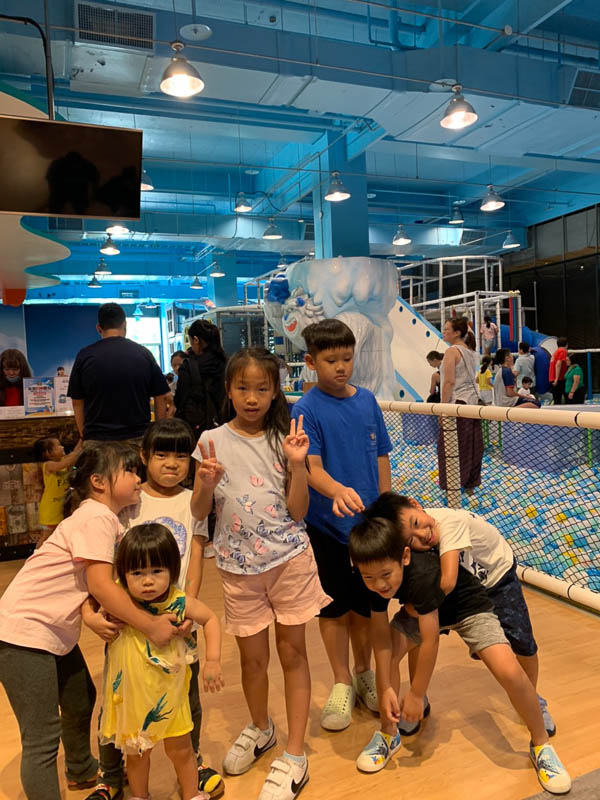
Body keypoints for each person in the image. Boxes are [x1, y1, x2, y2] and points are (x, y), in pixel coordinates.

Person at [0, 442, 180, 800]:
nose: (138, 478)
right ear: (98, 482)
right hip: (23, 634)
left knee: (81, 698)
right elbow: (100, 584)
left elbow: (84, 581)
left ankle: (81, 769)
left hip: (50, 632)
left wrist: (88, 613)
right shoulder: (96, 517)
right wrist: (150, 625)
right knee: (42, 738)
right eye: (130, 471)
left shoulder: (100, 518)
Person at [348, 515, 571, 795]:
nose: (379, 584)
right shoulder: (368, 578)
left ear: (404, 557)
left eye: (385, 575)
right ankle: (388, 734)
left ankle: (541, 744)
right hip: (421, 610)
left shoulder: (422, 574)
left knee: (510, 671)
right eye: (369, 577)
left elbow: (430, 640)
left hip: (467, 608)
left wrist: (416, 693)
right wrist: (386, 688)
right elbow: (381, 641)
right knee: (389, 654)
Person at [192, 347, 329, 800]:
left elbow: (299, 511)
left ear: (275, 393)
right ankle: (260, 727)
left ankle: (295, 754)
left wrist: (297, 464)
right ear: (228, 390)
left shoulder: (286, 440)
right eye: (243, 388)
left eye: (262, 389)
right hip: (237, 568)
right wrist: (205, 485)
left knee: (293, 655)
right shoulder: (210, 441)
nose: (252, 398)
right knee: (252, 661)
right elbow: (199, 512)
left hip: (289, 561)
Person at [83, 419, 223, 800]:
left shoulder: (192, 500)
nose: (171, 464)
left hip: (176, 618)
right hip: (129, 620)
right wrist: (94, 611)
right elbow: (102, 561)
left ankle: (192, 762)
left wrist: (187, 611)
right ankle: (111, 774)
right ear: (144, 457)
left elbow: (195, 557)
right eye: (161, 454)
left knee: (187, 698)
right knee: (117, 699)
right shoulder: (129, 498)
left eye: (181, 456)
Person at [370, 492, 556, 738]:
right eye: (411, 539)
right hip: (457, 591)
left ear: (416, 504)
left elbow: (447, 581)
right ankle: (419, 698)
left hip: (496, 581)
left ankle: (533, 700)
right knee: (420, 635)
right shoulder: (414, 552)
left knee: (523, 644)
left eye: (417, 523)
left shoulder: (450, 522)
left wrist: (416, 608)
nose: (422, 535)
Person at [291, 319, 392, 731]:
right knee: (333, 607)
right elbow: (311, 468)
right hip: (326, 527)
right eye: (331, 360)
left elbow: (382, 456)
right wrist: (337, 491)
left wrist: (385, 507)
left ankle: (364, 672)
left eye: (347, 359)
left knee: (366, 603)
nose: (340, 367)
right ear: (311, 361)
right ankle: (340, 680)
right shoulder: (305, 409)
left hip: (368, 525)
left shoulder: (367, 401)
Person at [98, 524, 223, 800]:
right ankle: (140, 796)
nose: (147, 581)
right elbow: (98, 600)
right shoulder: (120, 600)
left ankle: (191, 794)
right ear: (123, 573)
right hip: (131, 698)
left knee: (181, 750)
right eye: (137, 573)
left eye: (157, 571)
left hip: (170, 697)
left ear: (172, 570)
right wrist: (100, 618)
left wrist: (213, 660)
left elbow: (211, 619)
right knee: (137, 755)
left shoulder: (178, 601)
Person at [68, 303, 170, 442]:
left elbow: (77, 402)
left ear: (99, 328)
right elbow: (161, 396)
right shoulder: (143, 354)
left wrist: (84, 435)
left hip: (97, 440)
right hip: (137, 437)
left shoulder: (84, 356)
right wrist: (158, 433)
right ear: (125, 324)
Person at [437, 318, 482, 494]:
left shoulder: (452, 351)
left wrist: (442, 408)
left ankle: (452, 486)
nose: (443, 332)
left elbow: (448, 381)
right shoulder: (470, 352)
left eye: (446, 329)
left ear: (457, 333)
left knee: (450, 447)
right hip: (472, 404)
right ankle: (470, 485)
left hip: (457, 403)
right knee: (472, 446)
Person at [174, 320, 227, 439]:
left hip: (197, 428)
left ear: (196, 340)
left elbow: (180, 400)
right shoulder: (226, 362)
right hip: (224, 424)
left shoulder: (189, 366)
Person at [33, 436, 83, 548]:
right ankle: (36, 555)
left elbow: (73, 453)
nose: (62, 447)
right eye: (58, 446)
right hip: (50, 509)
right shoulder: (48, 465)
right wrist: (79, 452)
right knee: (46, 536)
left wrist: (82, 437)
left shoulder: (62, 460)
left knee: (61, 534)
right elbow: (66, 462)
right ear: (48, 453)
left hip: (60, 507)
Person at [549, 337, 568, 406]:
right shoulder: (563, 351)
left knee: (557, 399)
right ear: (566, 344)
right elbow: (558, 364)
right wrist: (556, 379)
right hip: (559, 379)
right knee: (567, 398)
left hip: (552, 378)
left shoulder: (555, 352)